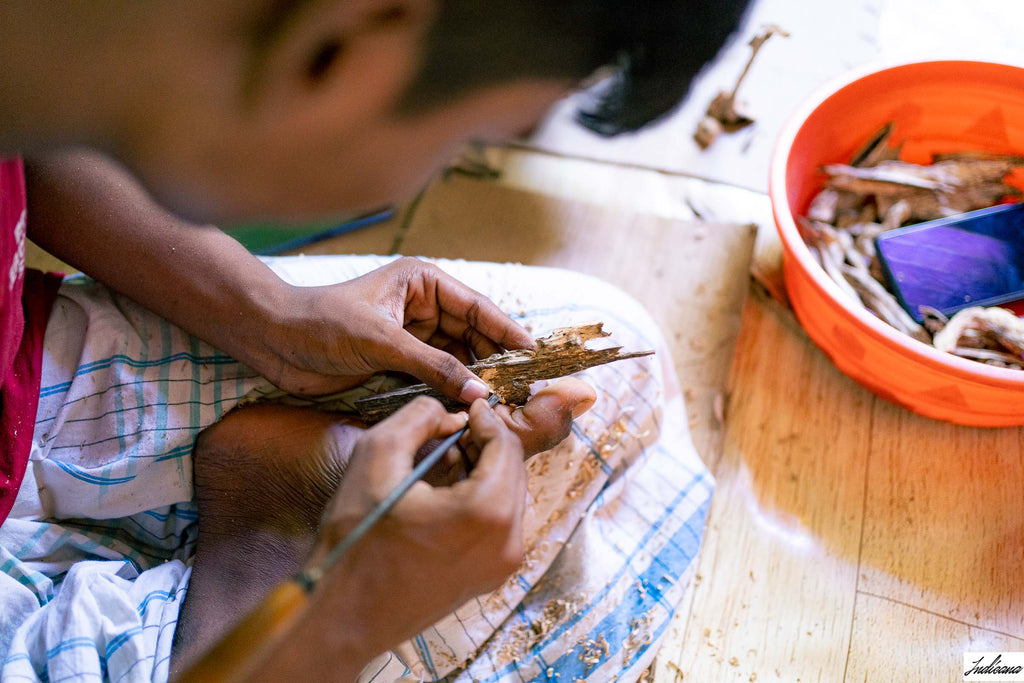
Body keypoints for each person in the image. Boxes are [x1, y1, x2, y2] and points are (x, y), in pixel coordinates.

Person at [0, 1, 750, 681]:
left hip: (27, 372)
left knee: (613, 350)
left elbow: (43, 130)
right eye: (465, 138)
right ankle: (263, 528)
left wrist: (273, 319)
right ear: (340, 48)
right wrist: (341, 620)